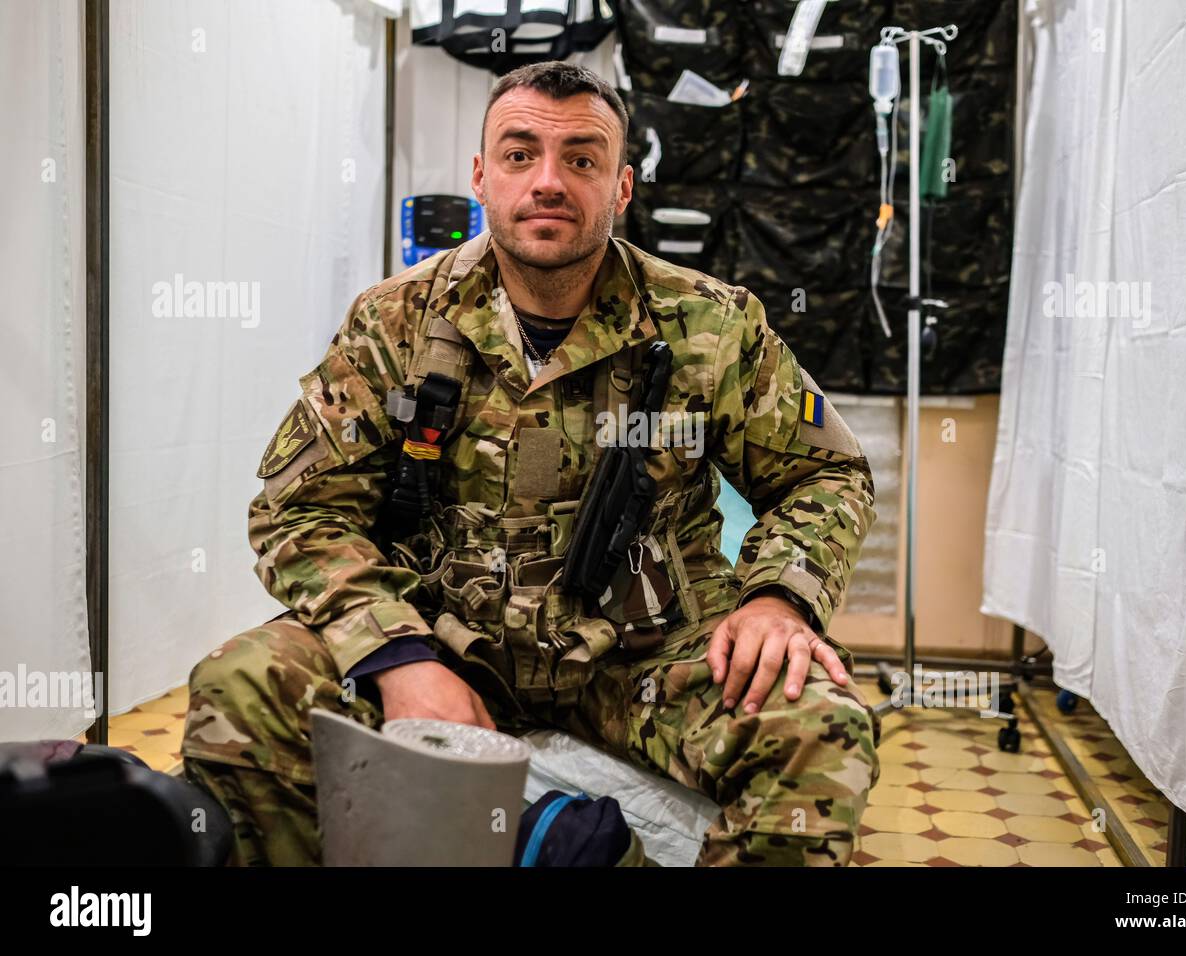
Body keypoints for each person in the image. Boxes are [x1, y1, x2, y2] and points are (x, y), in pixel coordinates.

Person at [182, 60, 880, 866]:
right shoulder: (396, 320)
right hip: (445, 636)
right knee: (243, 681)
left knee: (818, 728)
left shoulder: (710, 326)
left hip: (643, 660)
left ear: (621, 188)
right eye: (520, 155)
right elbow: (301, 507)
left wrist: (778, 600)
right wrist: (397, 655)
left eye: (582, 159)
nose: (548, 181)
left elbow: (825, 473)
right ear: (482, 176)